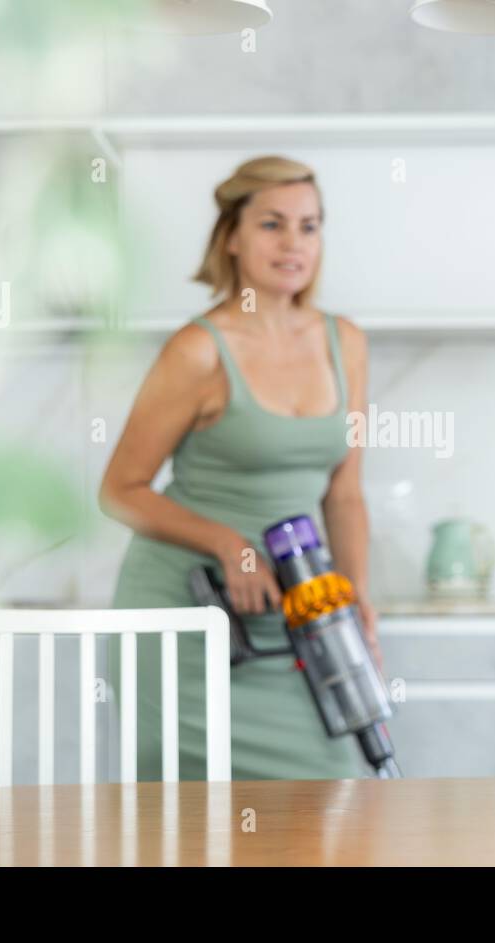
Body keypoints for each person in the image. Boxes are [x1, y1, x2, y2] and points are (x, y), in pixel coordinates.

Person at [99, 155, 377, 780]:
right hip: (186, 622)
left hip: (297, 616)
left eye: (309, 226)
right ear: (231, 236)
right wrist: (228, 544)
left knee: (333, 797)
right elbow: (119, 490)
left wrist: (357, 601)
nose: (293, 243)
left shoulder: (344, 343)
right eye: (272, 224)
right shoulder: (198, 350)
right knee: (188, 829)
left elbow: (345, 495)